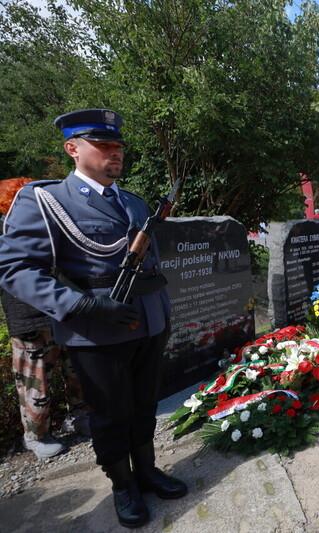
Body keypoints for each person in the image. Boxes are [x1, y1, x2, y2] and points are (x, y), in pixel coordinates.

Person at [0, 109, 186, 527]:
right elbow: (15, 270)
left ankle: (148, 471)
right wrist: (82, 305)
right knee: (110, 414)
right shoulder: (45, 199)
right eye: (103, 145)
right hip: (96, 331)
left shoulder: (135, 202)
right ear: (73, 149)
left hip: (150, 321)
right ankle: (123, 485)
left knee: (143, 406)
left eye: (117, 145)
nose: (115, 152)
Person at [0, 178, 91, 459]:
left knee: (76, 370)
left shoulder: (50, 224)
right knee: (35, 382)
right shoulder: (7, 231)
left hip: (63, 314)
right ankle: (35, 436)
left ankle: (81, 417)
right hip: (29, 320)